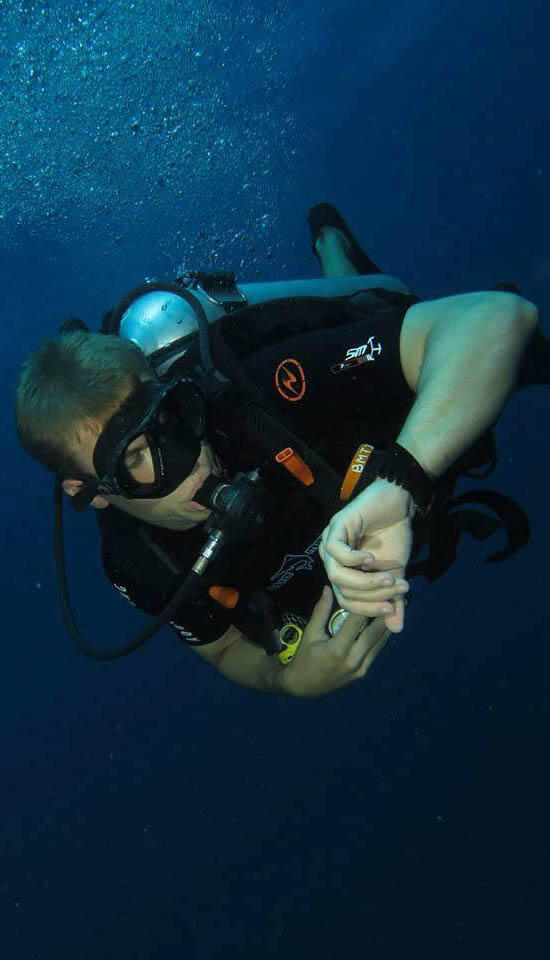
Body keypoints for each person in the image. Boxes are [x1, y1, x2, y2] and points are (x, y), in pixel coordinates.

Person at [14, 204, 539, 698]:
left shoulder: (257, 392)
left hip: (412, 426)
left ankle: (336, 256)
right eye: (134, 460)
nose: (189, 461)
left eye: (175, 418)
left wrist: (403, 480)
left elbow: (495, 318)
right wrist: (289, 680)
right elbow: (222, 648)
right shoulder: (138, 562)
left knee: (409, 310)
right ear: (89, 492)